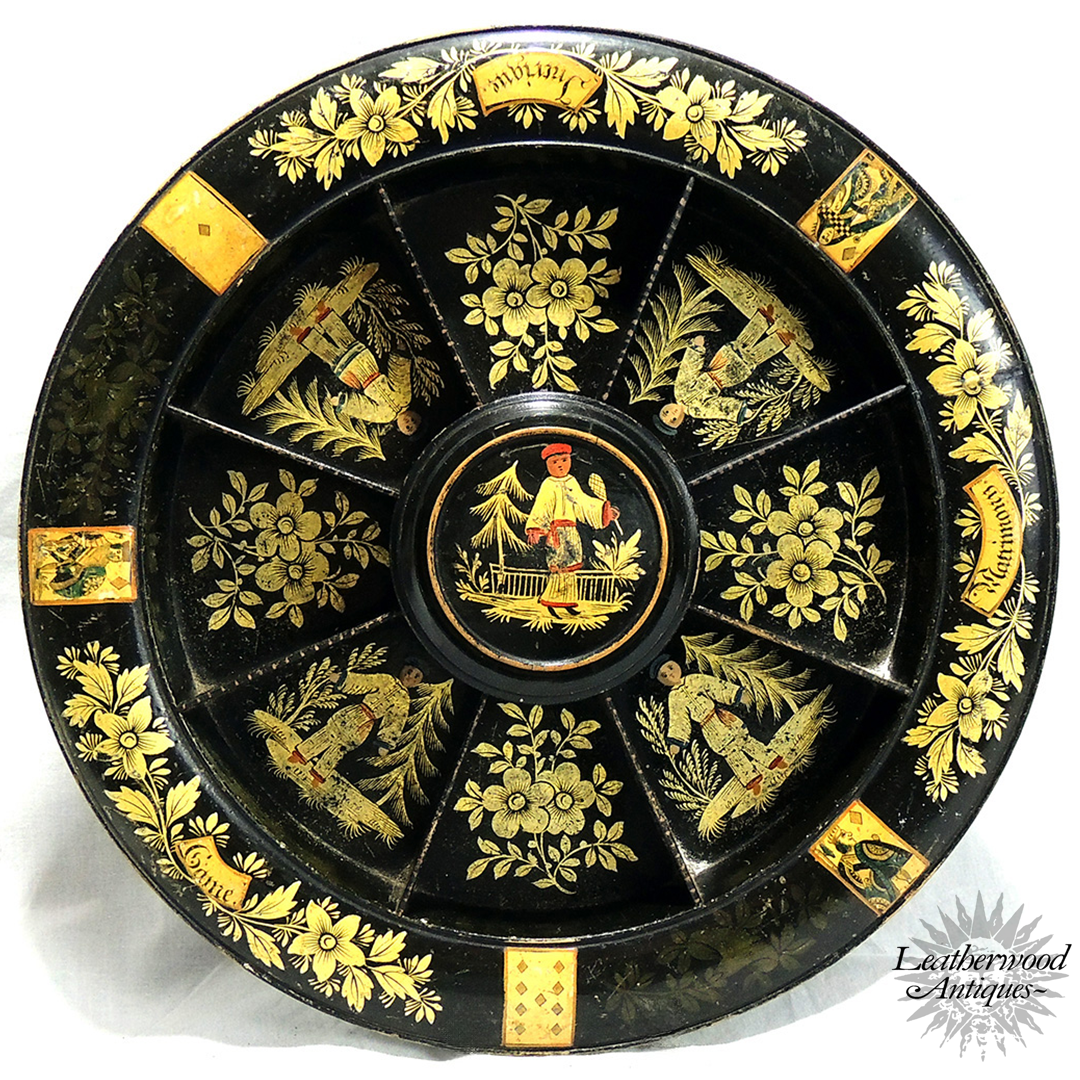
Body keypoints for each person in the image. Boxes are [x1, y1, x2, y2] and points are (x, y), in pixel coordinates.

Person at [654, 657, 783, 795]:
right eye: (664, 675)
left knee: (744, 740)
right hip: (708, 727)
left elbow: (715, 687)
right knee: (730, 753)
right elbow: (679, 719)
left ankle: (771, 759)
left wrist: (737, 695)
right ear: (661, 681)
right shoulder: (674, 698)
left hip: (721, 717)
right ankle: (752, 780)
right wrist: (677, 741)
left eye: (671, 668)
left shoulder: (694, 679)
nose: (671, 674)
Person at [289, 663, 422, 785]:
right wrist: (344, 680)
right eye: (409, 671)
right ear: (403, 668)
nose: (410, 677)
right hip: (355, 712)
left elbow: (395, 721)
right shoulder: (387, 680)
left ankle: (319, 775)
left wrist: (385, 742)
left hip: (365, 724)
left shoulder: (404, 701)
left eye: (416, 676)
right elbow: (365, 681)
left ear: (418, 683)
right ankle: (302, 754)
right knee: (329, 731)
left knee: (340, 748)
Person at [524, 443, 618, 611]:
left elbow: (583, 503)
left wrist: (604, 511)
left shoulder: (572, 482)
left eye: (564, 460)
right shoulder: (548, 484)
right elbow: (541, 506)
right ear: (547, 464)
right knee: (558, 565)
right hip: (556, 532)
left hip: (572, 531)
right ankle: (550, 600)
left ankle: (567, 601)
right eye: (555, 462)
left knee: (572, 564)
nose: (560, 465)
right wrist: (536, 529)